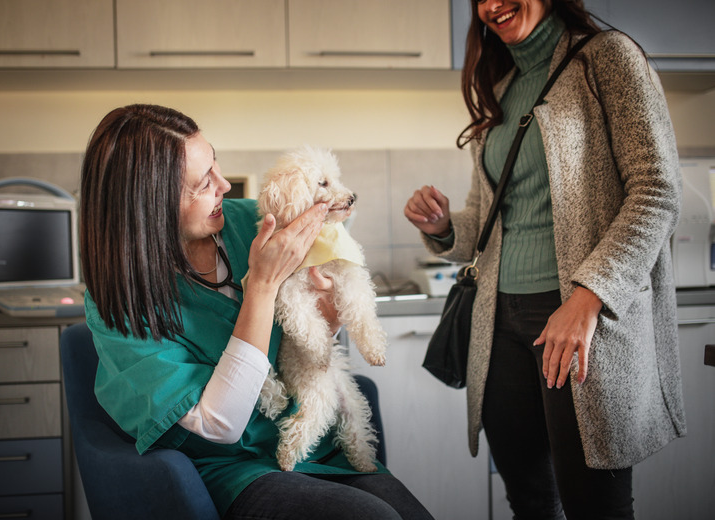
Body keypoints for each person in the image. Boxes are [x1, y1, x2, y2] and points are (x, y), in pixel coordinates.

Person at [80, 104, 433, 520]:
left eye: (216, 166)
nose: (225, 185)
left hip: (314, 447)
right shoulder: (119, 305)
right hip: (230, 471)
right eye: (202, 183)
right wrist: (262, 287)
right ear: (148, 203)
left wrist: (331, 312)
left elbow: (315, 329)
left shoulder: (254, 221)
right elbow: (221, 425)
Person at [404, 1, 685, 519]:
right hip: (499, 325)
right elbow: (491, 223)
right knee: (530, 503)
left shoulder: (608, 58)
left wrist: (588, 295)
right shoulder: (503, 91)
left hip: (580, 321)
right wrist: (443, 227)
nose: (492, 5)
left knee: (594, 508)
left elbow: (658, 191)